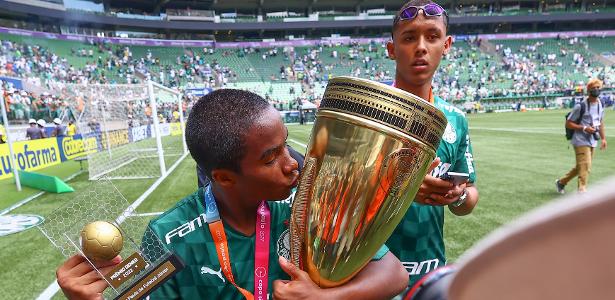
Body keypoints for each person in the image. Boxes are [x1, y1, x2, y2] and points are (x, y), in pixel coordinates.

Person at [56, 89, 409, 300]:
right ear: (224, 177)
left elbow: (394, 274)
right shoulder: (167, 236)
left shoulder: (309, 203)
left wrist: (323, 297)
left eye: (285, 146)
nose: (292, 165)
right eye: (271, 158)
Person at [385, 0, 479, 286]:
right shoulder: (368, 112)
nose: (421, 47)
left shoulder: (456, 120)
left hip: (430, 272)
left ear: (447, 45)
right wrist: (400, 187)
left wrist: (458, 195)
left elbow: (470, 194)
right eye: (409, 37)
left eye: (432, 36)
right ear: (391, 49)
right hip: (370, 272)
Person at [556, 78, 607, 193]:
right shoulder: (581, 106)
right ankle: (582, 190)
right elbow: (568, 123)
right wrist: (584, 128)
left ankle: (561, 182)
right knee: (586, 165)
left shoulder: (601, 103)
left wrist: (603, 138)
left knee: (581, 166)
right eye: (594, 88)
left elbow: (601, 121)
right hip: (580, 140)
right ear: (589, 90)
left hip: (592, 139)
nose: (596, 90)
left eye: (598, 88)